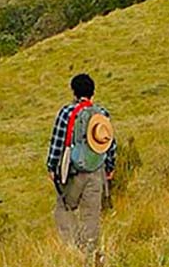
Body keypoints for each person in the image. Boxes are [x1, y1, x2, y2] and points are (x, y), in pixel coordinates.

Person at [46, 73, 116, 256]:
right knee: (91, 215)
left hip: (73, 172)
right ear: (93, 93)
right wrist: (109, 168)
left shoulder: (66, 113)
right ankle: (90, 253)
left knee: (64, 207)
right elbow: (110, 144)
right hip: (96, 171)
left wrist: (52, 167)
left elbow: (57, 142)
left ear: (74, 93)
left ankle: (71, 250)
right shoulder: (102, 114)